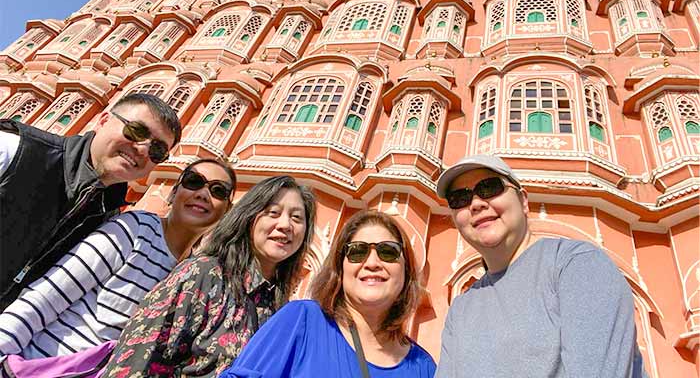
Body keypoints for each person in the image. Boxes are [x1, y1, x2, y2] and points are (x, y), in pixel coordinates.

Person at [433, 154, 646, 378]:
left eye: (489, 187)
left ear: (524, 201)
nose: (476, 204)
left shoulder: (574, 265)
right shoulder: (461, 309)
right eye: (459, 198)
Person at [0, 158, 236, 359]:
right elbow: (46, 296)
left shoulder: (195, 273)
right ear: (173, 192)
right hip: (38, 364)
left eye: (218, 191)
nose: (204, 194)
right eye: (194, 182)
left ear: (227, 210)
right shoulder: (135, 229)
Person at [101, 175, 317, 378]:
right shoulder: (203, 275)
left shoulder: (278, 307)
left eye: (297, 218)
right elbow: (136, 359)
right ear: (249, 217)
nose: (285, 225)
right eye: (273, 213)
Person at [0, 93, 182, 310]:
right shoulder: (16, 150)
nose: (142, 149)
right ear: (103, 120)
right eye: (136, 131)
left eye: (157, 150)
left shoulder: (109, 218)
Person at [221, 211, 436, 378]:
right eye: (357, 251)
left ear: (406, 270)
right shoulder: (302, 321)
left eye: (388, 252)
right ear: (340, 270)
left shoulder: (423, 367)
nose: (372, 263)